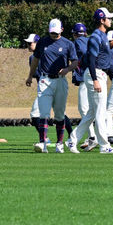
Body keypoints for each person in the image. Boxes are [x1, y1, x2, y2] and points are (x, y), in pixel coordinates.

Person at [70, 8, 113, 153]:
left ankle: (72, 140)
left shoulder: (102, 36)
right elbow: (92, 60)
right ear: (102, 20)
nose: (110, 20)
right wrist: (95, 80)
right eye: (108, 18)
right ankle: (104, 146)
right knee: (100, 111)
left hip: (100, 74)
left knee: (92, 113)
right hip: (96, 74)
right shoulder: (96, 37)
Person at [32, 18, 79, 153]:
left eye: (56, 33)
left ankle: (59, 143)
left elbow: (75, 62)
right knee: (44, 112)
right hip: (45, 80)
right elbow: (36, 59)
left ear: (62, 30)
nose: (54, 35)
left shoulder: (68, 44)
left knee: (59, 114)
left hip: (60, 80)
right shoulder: (43, 42)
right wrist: (30, 75)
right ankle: (43, 143)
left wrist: (67, 69)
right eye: (52, 32)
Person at [71, 23, 90, 149]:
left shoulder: (78, 42)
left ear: (74, 34)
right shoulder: (90, 40)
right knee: (93, 109)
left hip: (85, 77)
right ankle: (93, 137)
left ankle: (93, 137)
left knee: (84, 108)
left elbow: (83, 52)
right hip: (95, 77)